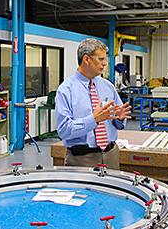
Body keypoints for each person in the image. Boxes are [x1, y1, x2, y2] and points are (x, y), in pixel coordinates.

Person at [55, 38, 131, 169]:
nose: (105, 63)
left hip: (111, 155)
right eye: (101, 59)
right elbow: (64, 131)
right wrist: (93, 120)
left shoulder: (108, 86)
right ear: (86, 59)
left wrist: (119, 118)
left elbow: (117, 123)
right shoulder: (66, 90)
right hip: (82, 160)